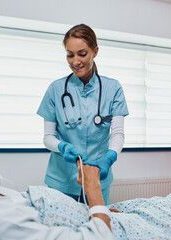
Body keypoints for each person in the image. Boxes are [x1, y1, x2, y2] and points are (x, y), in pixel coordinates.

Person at [37, 24, 129, 205]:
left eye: (82, 53)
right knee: (62, 232)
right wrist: (62, 147)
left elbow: (117, 134)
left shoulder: (113, 88)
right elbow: (48, 137)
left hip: (97, 177)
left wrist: (109, 157)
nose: (75, 61)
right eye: (69, 54)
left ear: (95, 51)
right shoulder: (55, 89)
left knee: (98, 227)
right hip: (61, 178)